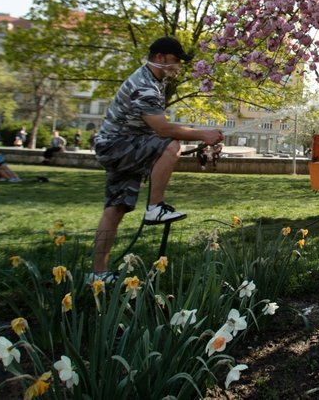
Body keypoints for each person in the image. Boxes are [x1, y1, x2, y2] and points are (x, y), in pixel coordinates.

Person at [91, 37, 224, 278]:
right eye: (175, 61)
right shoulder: (146, 86)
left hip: (117, 146)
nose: (178, 67)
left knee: (115, 208)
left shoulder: (153, 81)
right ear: (160, 57)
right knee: (171, 145)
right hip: (117, 146)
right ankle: (155, 207)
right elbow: (162, 129)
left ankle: (97, 274)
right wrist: (203, 134)